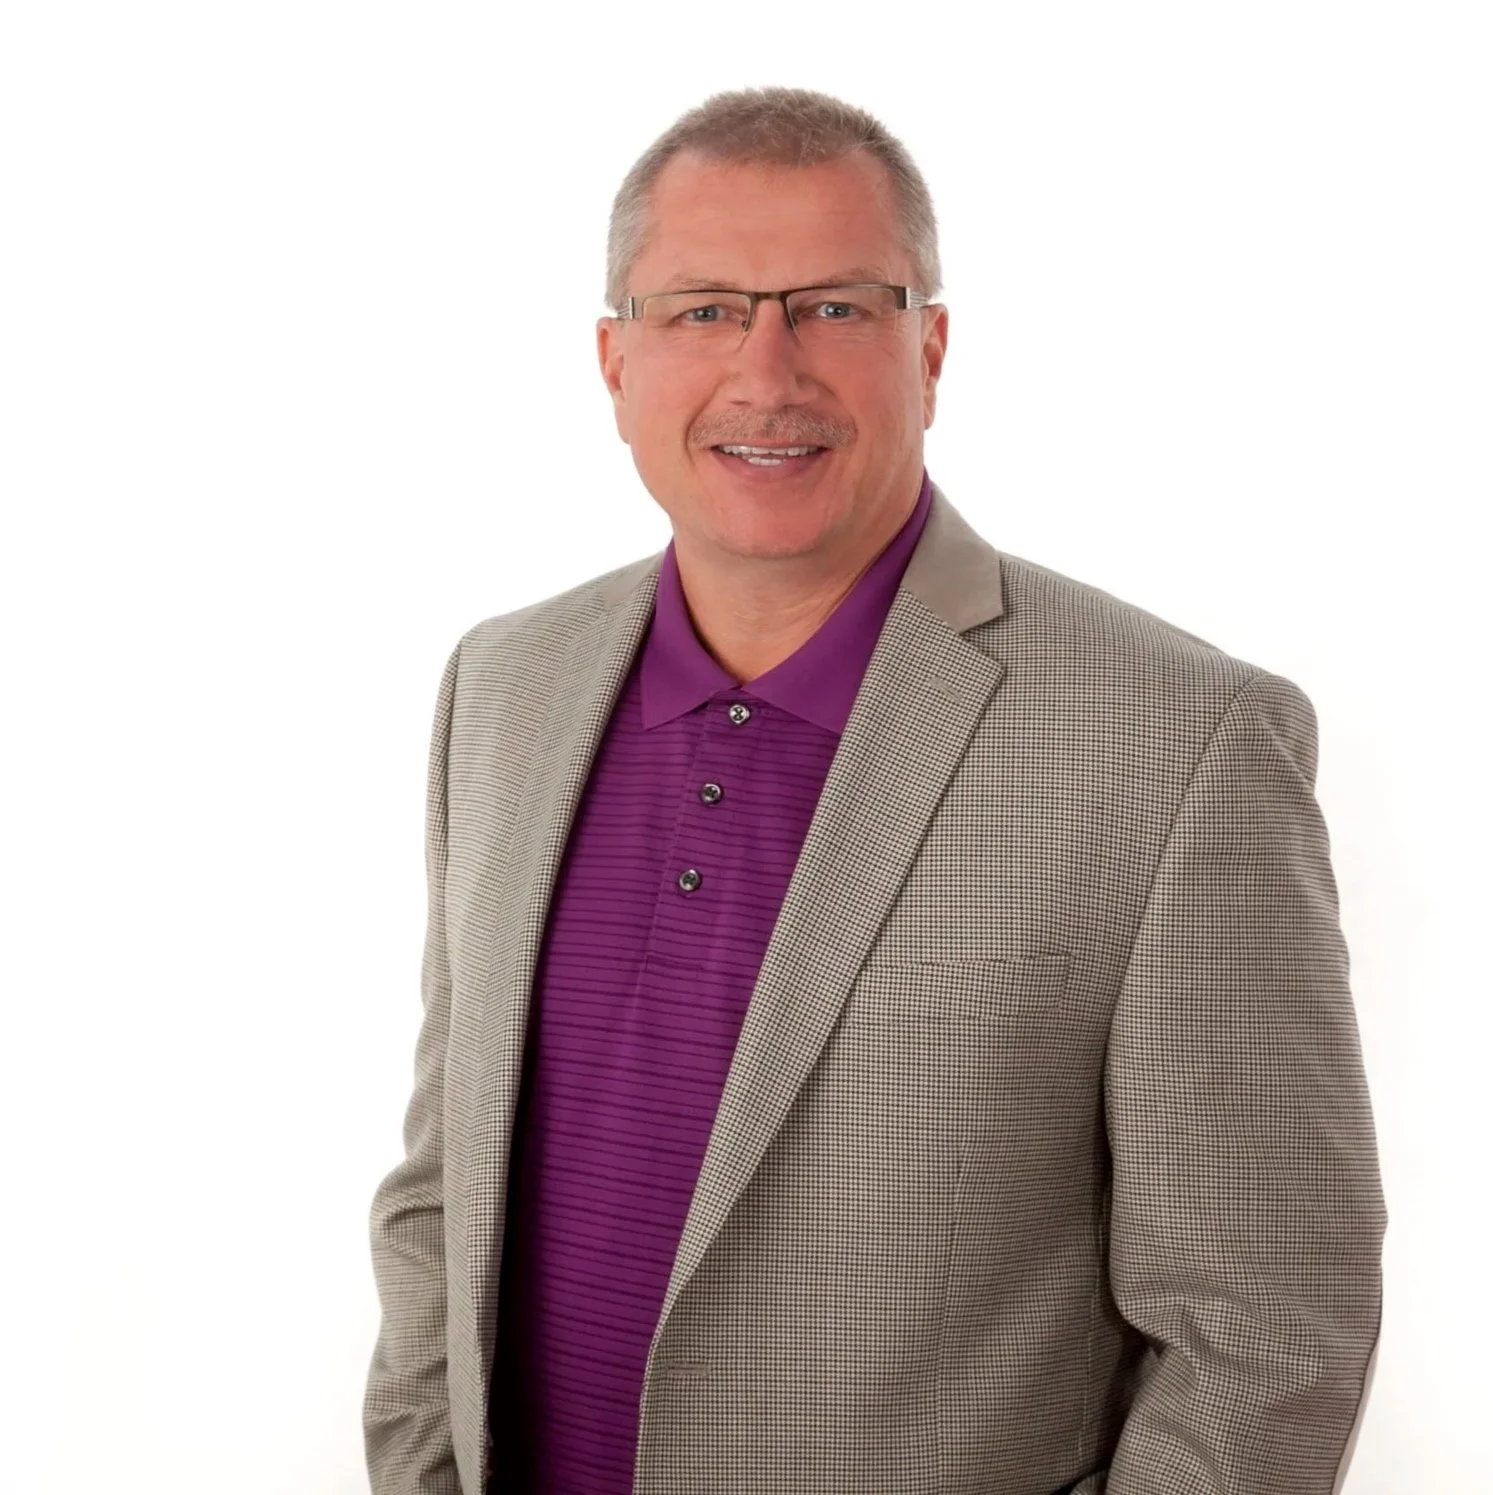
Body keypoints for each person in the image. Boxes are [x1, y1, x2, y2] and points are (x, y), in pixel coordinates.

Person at [362, 85, 1386, 1495]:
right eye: (703, 308)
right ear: (614, 360)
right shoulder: (504, 686)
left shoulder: (1177, 740)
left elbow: (1265, 1328)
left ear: (931, 346)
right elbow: (438, 1195)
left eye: (837, 306)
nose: (766, 370)